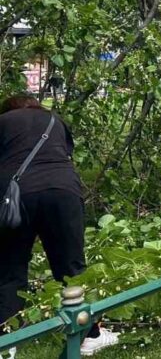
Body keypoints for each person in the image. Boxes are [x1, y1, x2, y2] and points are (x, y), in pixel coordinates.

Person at [0, 96, 118, 355]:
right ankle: (89, 335)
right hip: (62, 190)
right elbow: (65, 152)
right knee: (71, 265)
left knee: (10, 267)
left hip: (17, 196)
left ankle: (8, 341)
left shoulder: (3, 122)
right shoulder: (55, 120)